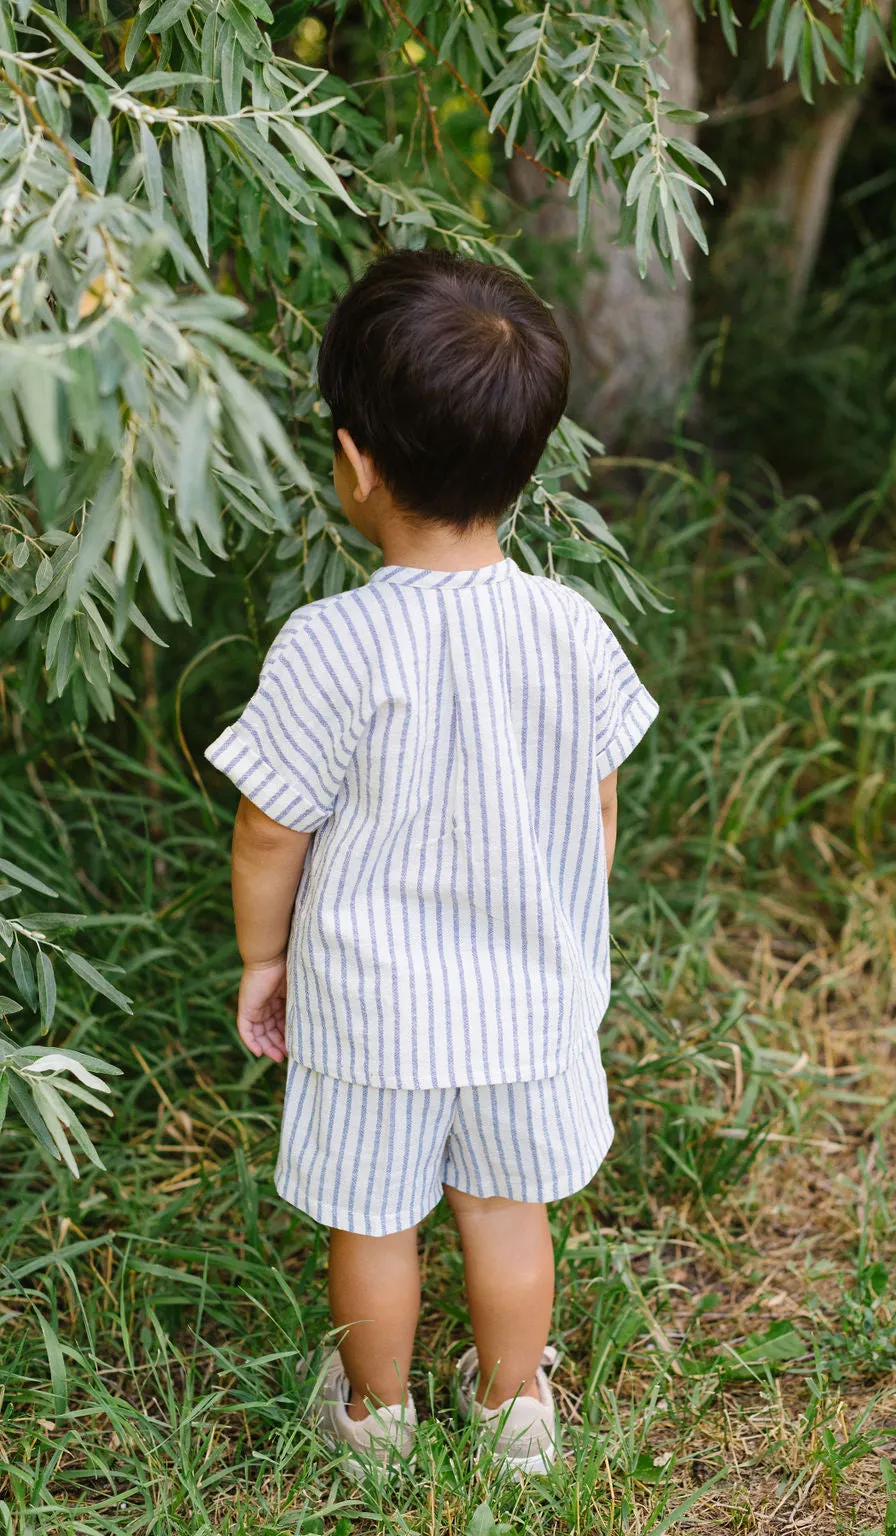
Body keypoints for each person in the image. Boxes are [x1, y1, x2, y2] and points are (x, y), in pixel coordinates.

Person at [205, 248, 658, 1477]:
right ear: (526, 460)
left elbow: (268, 826)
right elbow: (600, 795)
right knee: (509, 1216)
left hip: (375, 1010)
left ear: (353, 461)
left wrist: (262, 957)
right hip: (529, 996)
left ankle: (374, 1419)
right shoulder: (570, 626)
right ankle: (514, 1412)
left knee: (374, 1220)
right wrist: (567, 907)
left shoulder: (331, 643)